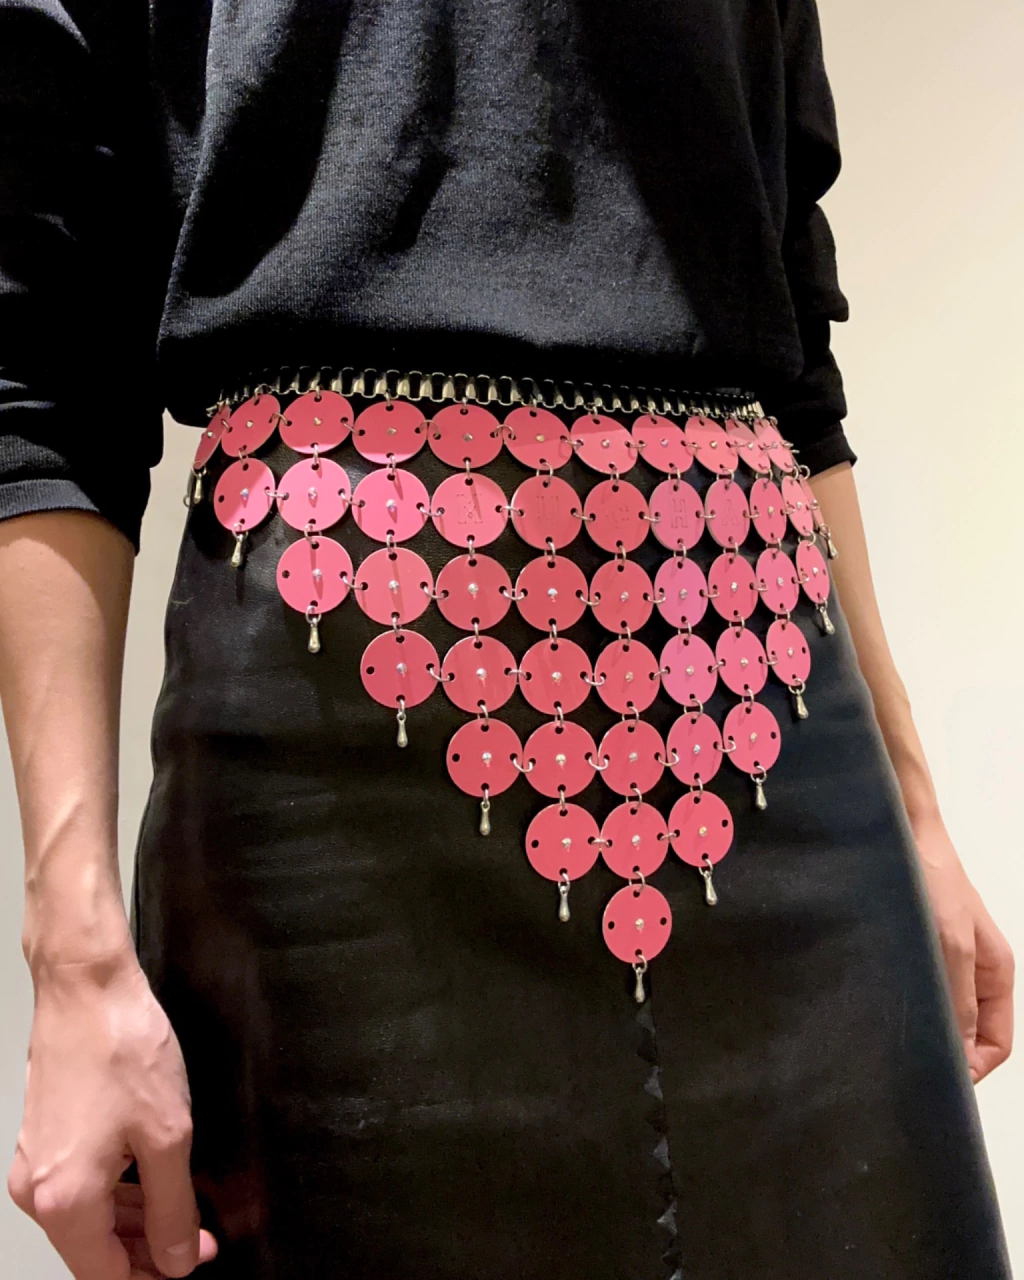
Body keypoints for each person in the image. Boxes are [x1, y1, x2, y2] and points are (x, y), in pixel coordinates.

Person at [0, 1, 1014, 1277]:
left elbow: (793, 348)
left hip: (764, 715)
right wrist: (73, 950)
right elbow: (38, 358)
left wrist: (915, 807)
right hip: (342, 770)